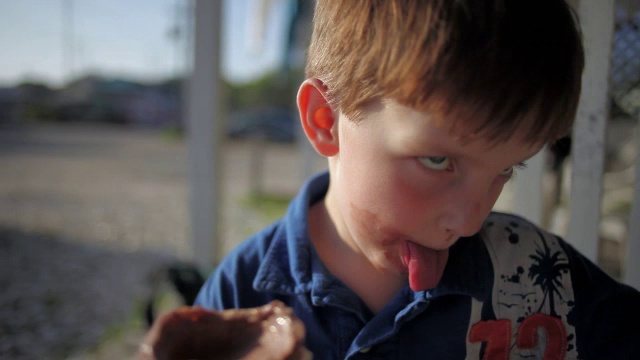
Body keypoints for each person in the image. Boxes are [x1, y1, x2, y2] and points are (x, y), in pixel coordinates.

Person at [194, 0, 640, 359]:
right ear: (325, 120)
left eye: (506, 169)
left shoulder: (545, 279)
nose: (468, 222)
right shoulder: (242, 295)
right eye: (435, 160)